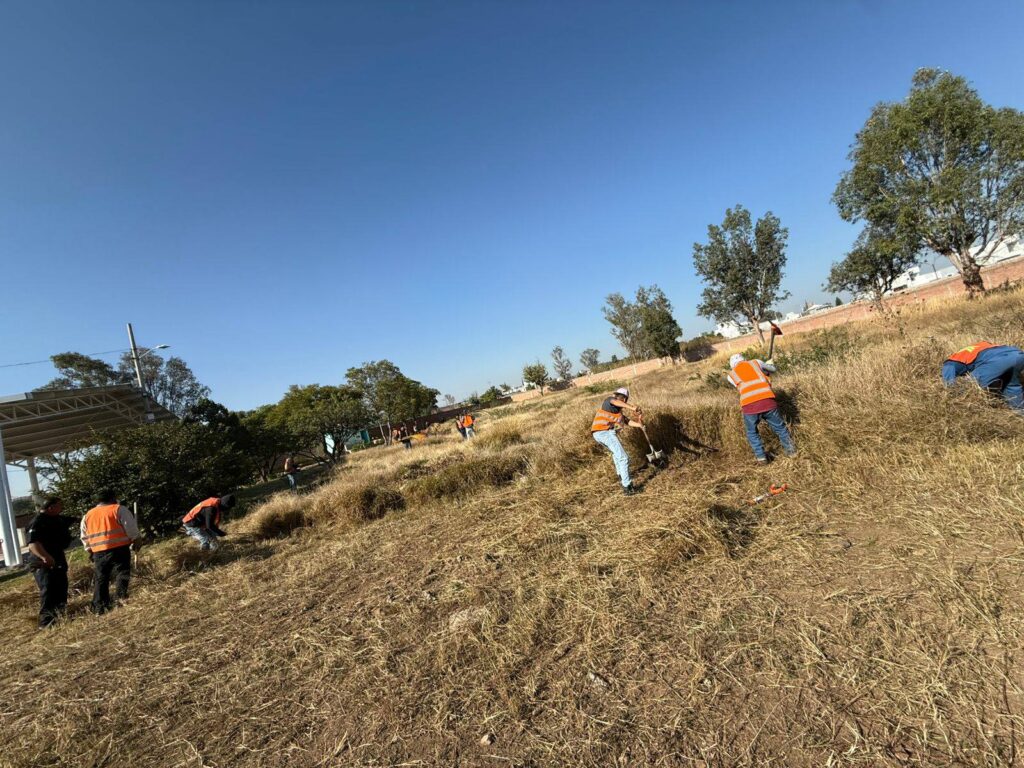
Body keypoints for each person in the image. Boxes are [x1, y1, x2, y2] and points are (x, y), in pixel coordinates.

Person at [727, 353, 797, 464]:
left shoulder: (730, 375)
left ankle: (761, 457)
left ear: (732, 365)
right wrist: (769, 365)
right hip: (767, 401)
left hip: (749, 406)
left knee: (752, 432)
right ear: (744, 359)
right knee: (780, 428)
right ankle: (791, 452)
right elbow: (772, 370)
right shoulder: (756, 362)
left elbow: (742, 384)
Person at [81, 490, 140, 614]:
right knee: (122, 573)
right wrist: (136, 540)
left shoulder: (88, 515)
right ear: (113, 497)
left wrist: (89, 550)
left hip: (98, 552)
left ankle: (99, 607)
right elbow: (130, 527)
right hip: (119, 549)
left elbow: (84, 535)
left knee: (101, 578)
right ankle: (120, 600)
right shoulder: (119, 509)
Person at [25, 497, 74, 628]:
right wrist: (45, 557)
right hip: (43, 562)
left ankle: (60, 615)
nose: (61, 507)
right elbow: (33, 544)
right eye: (59, 505)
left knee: (61, 587)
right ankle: (46, 622)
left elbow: (75, 520)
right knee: (49, 589)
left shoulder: (58, 519)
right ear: (50, 507)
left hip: (57, 559)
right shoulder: (38, 522)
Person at [942, 341, 1024, 413]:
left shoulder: (951, 361)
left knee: (969, 386)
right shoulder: (979, 346)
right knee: (1011, 386)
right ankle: (1019, 416)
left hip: (1000, 359)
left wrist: (951, 397)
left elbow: (949, 385)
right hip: (1018, 354)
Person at [590, 387, 644, 496]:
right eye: (622, 398)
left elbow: (627, 421)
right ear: (618, 397)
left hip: (602, 434)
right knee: (623, 457)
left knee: (617, 455)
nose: (623, 400)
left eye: (624, 398)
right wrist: (632, 408)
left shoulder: (618, 413)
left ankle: (621, 476)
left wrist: (640, 425)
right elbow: (615, 402)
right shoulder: (609, 401)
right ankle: (627, 487)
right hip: (603, 433)